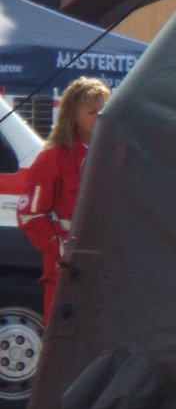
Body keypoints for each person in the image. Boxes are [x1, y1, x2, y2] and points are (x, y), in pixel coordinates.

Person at [19, 76, 111, 320]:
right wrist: (62, 250)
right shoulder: (52, 159)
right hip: (67, 272)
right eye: (93, 111)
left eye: (104, 109)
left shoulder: (116, 154)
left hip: (107, 270)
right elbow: (30, 216)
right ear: (73, 117)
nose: (101, 116)